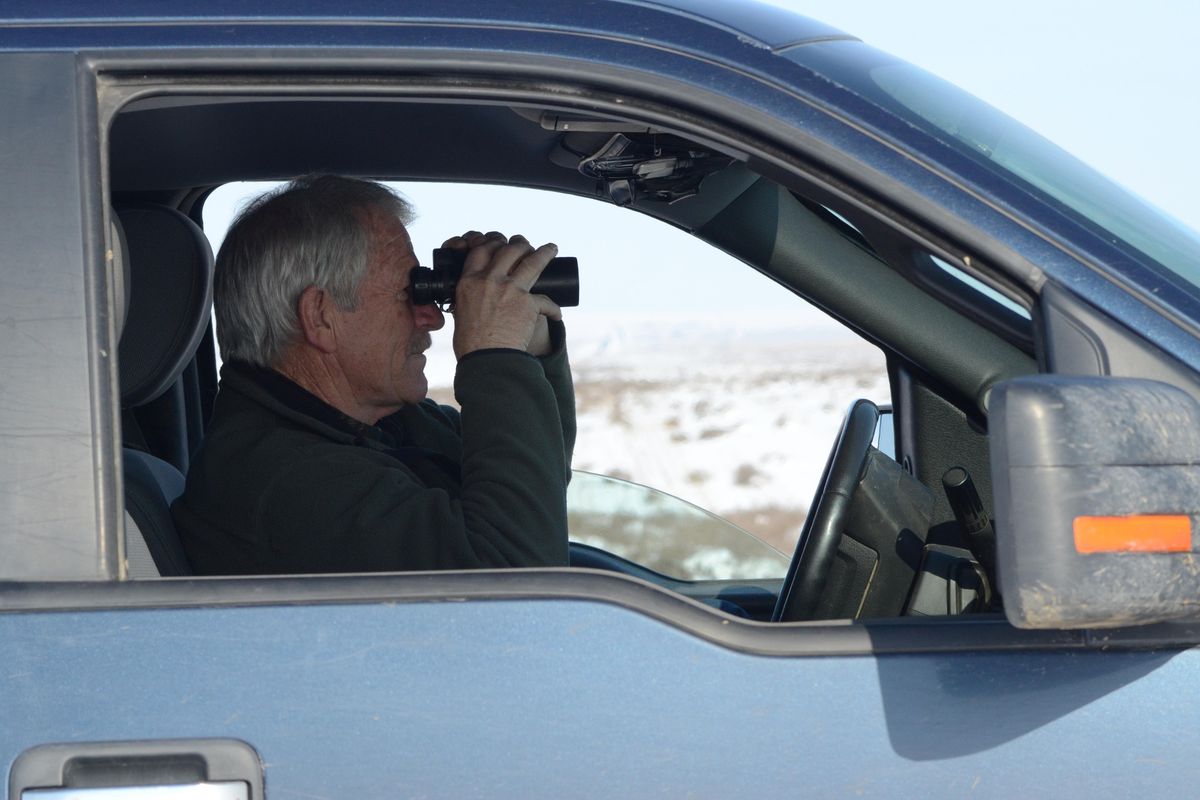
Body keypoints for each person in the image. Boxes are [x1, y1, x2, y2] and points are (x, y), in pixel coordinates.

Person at [172, 175, 575, 574]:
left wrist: (528, 341)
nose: (433, 318)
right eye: (407, 293)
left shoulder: (379, 424)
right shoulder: (280, 483)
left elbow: (534, 484)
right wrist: (494, 352)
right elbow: (520, 581)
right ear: (321, 318)